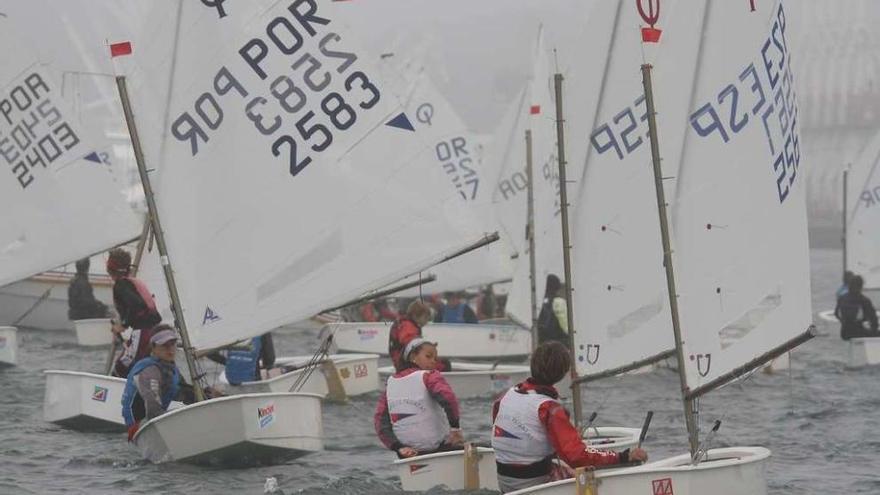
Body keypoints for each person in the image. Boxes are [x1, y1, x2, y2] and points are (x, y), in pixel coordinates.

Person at [492, 342, 647, 492]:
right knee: (582, 476)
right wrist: (623, 456)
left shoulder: (507, 396)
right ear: (564, 372)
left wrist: (562, 440)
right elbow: (577, 457)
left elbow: (521, 436)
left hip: (504, 481)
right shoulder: (549, 408)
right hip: (531, 485)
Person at [374, 338, 463, 458]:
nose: (433, 362)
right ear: (412, 357)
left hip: (407, 454)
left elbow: (380, 423)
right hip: (437, 449)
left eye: (435, 359)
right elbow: (449, 398)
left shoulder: (390, 384)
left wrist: (398, 447)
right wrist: (455, 428)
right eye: (428, 356)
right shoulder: (429, 376)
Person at [107, 248, 162, 378]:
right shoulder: (132, 282)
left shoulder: (121, 285)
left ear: (110, 268)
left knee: (122, 366)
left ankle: (115, 388)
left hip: (144, 332)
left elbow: (137, 304)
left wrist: (123, 325)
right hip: (154, 330)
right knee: (144, 365)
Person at [121, 325, 181, 441]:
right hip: (139, 427)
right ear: (153, 347)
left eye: (172, 343)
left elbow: (184, 392)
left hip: (154, 420)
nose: (170, 349)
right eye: (164, 345)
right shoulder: (149, 371)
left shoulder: (171, 368)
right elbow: (153, 407)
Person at [389, 300, 449, 372]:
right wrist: (426, 346)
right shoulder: (407, 325)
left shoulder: (405, 323)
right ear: (416, 315)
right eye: (425, 317)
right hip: (406, 363)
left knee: (441, 362)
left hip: (405, 361)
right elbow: (410, 344)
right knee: (444, 365)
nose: (426, 321)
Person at [207, 333, 276, 385]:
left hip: (231, 379)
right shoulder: (262, 329)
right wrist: (267, 366)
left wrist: (227, 362)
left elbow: (210, 353)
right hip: (252, 380)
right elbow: (270, 359)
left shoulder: (229, 327)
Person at [835, 274, 880, 340]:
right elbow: (873, 319)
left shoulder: (842, 298)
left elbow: (836, 314)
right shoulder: (864, 300)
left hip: (844, 333)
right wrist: (874, 330)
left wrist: (844, 322)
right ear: (861, 286)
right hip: (858, 332)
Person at [536, 275, 568, 345]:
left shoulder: (538, 301)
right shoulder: (559, 301)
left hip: (542, 342)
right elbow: (565, 326)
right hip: (558, 343)